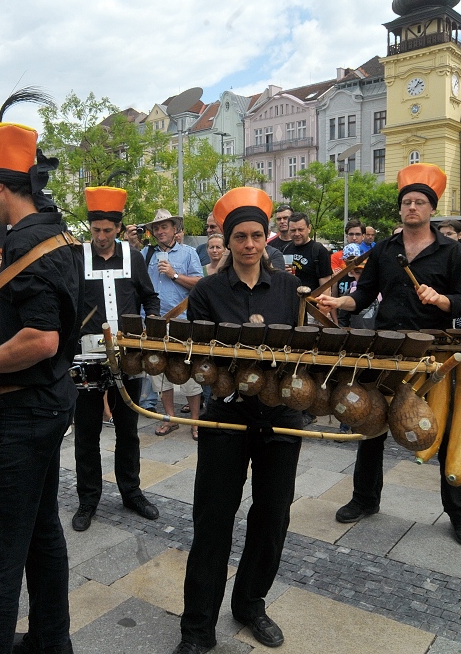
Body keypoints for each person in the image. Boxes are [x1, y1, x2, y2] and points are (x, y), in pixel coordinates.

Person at [0, 119, 83, 654]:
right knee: (39, 533)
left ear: (0, 187)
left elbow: (41, 340)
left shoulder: (27, 241)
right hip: (47, 404)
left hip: (26, 409)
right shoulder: (50, 233)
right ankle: (52, 642)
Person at [316, 163, 461, 547]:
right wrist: (342, 299)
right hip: (389, 345)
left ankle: (460, 513)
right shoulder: (386, 250)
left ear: (431, 209)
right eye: (406, 202)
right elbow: (366, 292)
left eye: (419, 202)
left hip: (434, 350)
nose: (411, 208)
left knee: (445, 428)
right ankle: (364, 499)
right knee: (372, 422)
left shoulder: (450, 251)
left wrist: (441, 299)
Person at [173, 187, 303, 654]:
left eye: (257, 236)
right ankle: (197, 628)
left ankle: (250, 603)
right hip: (225, 418)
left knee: (272, 517)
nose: (250, 244)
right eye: (241, 237)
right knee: (212, 521)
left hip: (282, 418)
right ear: (227, 242)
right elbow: (206, 364)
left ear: (268, 238)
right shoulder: (207, 292)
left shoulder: (289, 288)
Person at [71, 185, 161, 533]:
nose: (102, 237)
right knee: (87, 431)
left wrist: (148, 332)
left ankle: (131, 491)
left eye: (108, 230)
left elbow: (150, 298)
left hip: (128, 357)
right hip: (86, 356)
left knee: (128, 429)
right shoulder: (78, 256)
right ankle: (87, 499)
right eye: (96, 230)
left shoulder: (133, 257)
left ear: (119, 230)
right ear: (90, 229)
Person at [137, 208, 204, 436]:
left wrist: (174, 274)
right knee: (158, 371)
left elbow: (199, 284)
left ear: (175, 230)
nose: (160, 231)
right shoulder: (146, 254)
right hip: (154, 322)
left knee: (188, 371)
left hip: (182, 322)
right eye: (156, 227)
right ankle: (170, 418)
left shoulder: (188, 253)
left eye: (164, 226)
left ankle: (196, 421)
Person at [282, 212, 331, 291]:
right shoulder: (284, 249)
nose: (297, 234)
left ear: (309, 228)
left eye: (300, 230)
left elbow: (326, 287)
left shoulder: (319, 251)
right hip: (289, 300)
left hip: (311, 301)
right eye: (293, 230)